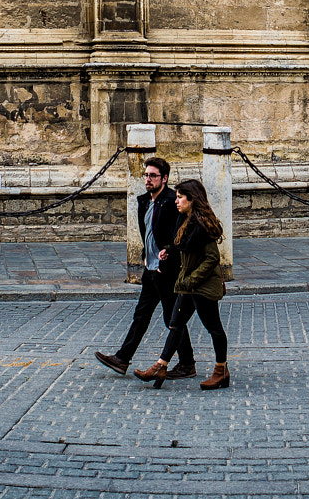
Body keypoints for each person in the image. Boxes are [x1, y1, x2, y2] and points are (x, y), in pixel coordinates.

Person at [95, 156, 197, 379]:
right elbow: (147, 233)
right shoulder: (144, 201)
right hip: (150, 268)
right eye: (146, 175)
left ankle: (187, 364)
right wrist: (146, 256)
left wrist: (167, 255)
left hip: (166, 270)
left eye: (153, 175)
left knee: (172, 318)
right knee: (141, 315)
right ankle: (122, 359)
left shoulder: (172, 201)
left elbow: (178, 233)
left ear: (164, 178)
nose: (148, 179)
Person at [131, 178, 231, 391]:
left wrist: (191, 279)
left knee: (214, 328)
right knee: (175, 324)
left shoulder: (202, 224)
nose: (176, 201)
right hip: (187, 285)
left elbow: (211, 258)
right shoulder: (185, 220)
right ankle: (161, 366)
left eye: (180, 197)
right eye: (176, 197)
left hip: (202, 285)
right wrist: (170, 250)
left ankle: (221, 370)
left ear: (192, 199)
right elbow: (184, 247)